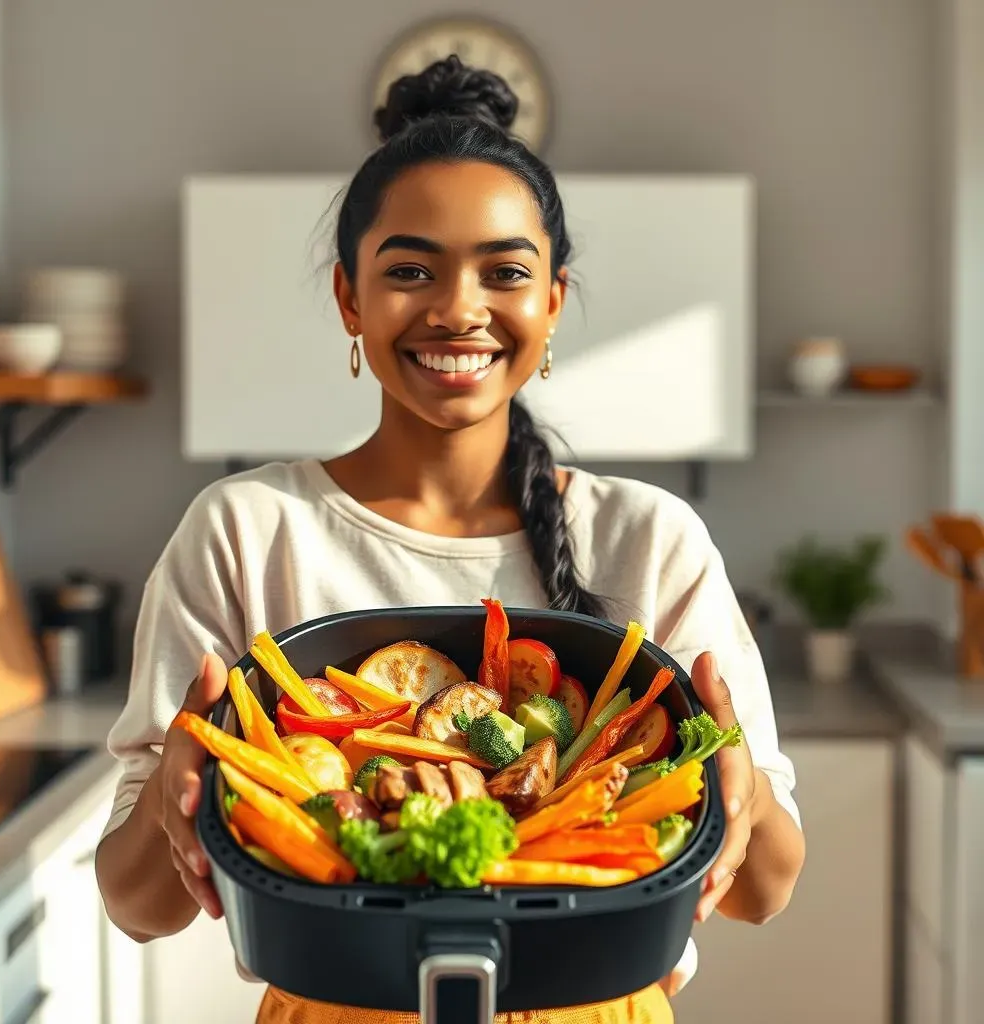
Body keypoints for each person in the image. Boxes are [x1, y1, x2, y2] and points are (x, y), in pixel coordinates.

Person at [95, 56, 805, 1024]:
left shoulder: (647, 537)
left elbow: (765, 892)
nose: (457, 308)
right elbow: (137, 907)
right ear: (351, 300)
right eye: (409, 270)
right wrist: (185, 772)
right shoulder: (248, 529)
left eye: (504, 272)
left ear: (552, 303)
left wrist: (739, 789)